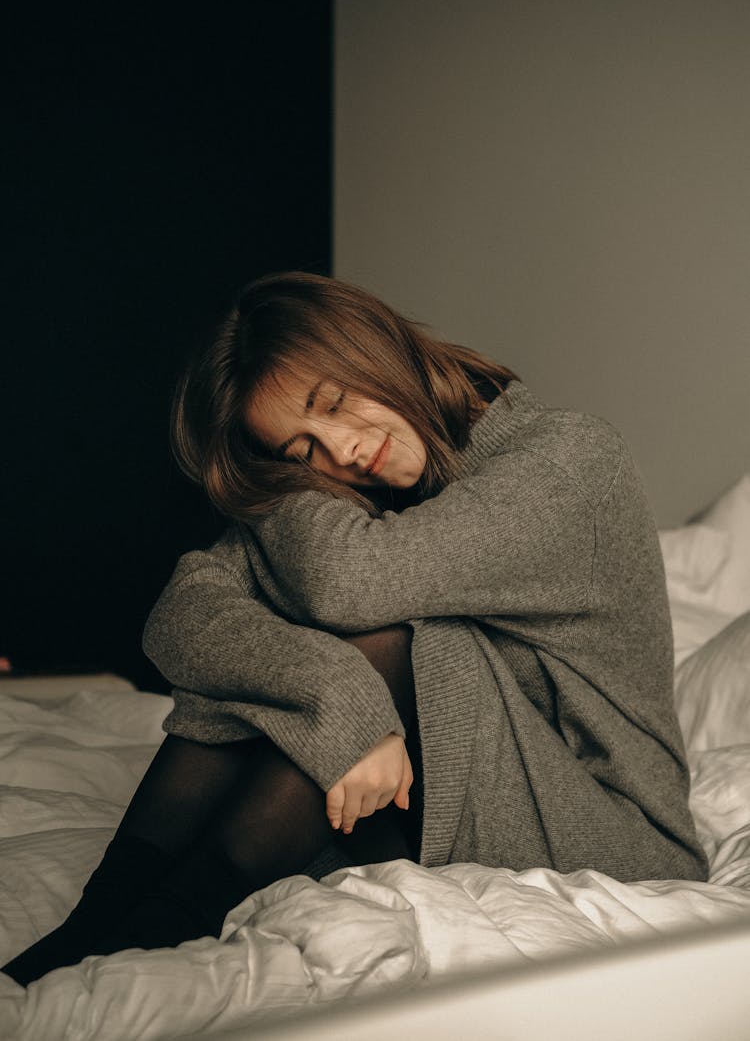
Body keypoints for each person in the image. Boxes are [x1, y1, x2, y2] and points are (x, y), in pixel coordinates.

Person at [3, 271, 707, 986]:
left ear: (371, 347)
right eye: (302, 451)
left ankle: (164, 925)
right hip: (471, 795)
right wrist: (340, 696)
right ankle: (99, 920)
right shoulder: (367, 493)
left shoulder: (568, 461)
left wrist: (274, 488)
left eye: (333, 403)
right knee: (265, 649)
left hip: (612, 832)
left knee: (393, 635)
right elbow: (180, 613)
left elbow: (350, 584)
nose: (341, 451)